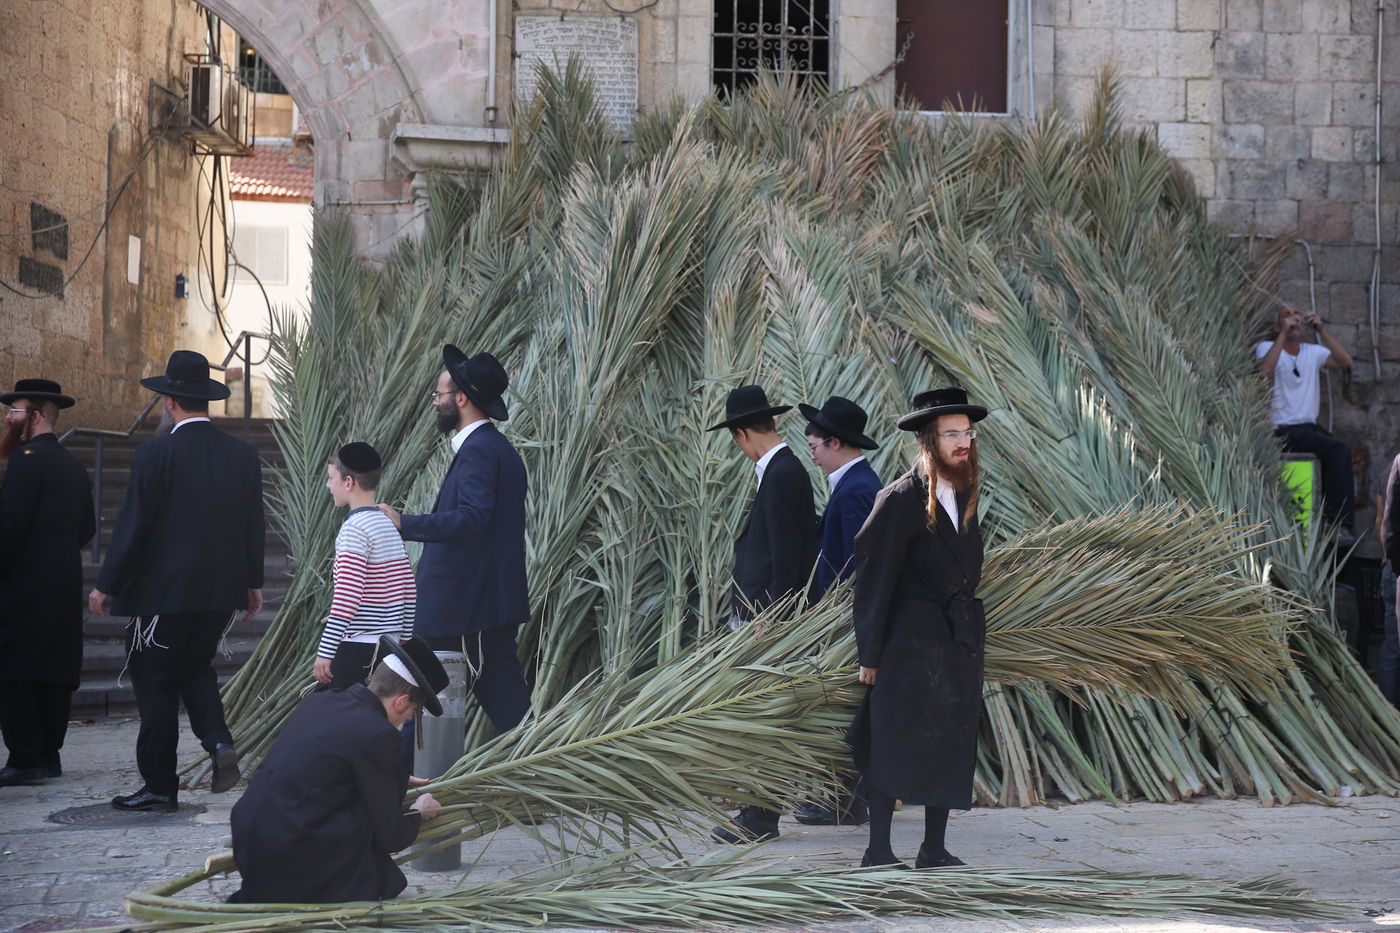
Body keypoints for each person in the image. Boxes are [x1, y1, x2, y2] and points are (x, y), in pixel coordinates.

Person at [89, 350, 265, 811]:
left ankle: (159, 785)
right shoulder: (242, 455)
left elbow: (133, 526)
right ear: (205, 401)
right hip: (218, 595)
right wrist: (252, 583)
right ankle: (219, 742)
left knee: (155, 684)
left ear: (169, 402)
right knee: (194, 668)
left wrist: (107, 583)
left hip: (162, 598)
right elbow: (253, 524)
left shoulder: (155, 455)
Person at [848, 386, 987, 869]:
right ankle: (878, 849)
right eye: (952, 433)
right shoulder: (899, 498)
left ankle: (933, 848)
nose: (963, 441)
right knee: (895, 738)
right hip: (907, 642)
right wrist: (870, 653)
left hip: (956, 639)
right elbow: (872, 580)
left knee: (949, 738)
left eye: (966, 432)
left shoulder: (965, 492)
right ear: (929, 440)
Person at [378, 345, 531, 733]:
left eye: (440, 395)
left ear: (461, 398)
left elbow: (472, 520)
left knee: (415, 686)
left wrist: (404, 523)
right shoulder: (496, 449)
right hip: (482, 604)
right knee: (507, 702)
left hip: (464, 606)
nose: (436, 402)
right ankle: (541, 771)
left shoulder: (480, 451)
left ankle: (393, 778)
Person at [228, 635, 447, 904]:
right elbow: (390, 835)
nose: (406, 719)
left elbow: (328, 771)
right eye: (411, 712)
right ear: (401, 701)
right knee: (374, 847)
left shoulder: (319, 701)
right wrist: (419, 810)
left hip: (252, 842)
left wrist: (396, 776)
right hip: (293, 856)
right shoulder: (378, 733)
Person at [708, 384, 816, 845]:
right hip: (765, 616)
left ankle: (761, 816)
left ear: (741, 434)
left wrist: (773, 621)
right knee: (767, 716)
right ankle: (759, 813)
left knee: (769, 718)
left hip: (770, 621)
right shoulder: (781, 471)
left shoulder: (782, 473)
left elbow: (789, 557)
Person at [792, 394, 881, 827]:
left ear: (835, 443)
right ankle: (847, 800)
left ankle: (847, 802)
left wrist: (836, 616)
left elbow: (855, 565)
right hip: (844, 618)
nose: (812, 457)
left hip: (846, 619)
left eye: (813, 448)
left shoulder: (859, 488)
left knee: (843, 710)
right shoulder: (852, 483)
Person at [0, 380, 95, 787]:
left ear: (36, 416)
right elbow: (87, 528)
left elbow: (9, 528)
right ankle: (49, 755)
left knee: (14, 669)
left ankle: (26, 757)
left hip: (22, 585)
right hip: (62, 582)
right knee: (54, 669)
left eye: (15, 411)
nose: (8, 417)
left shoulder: (25, 459)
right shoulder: (74, 464)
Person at [316, 443, 416, 689]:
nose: (328, 485)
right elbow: (410, 587)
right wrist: (404, 637)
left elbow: (348, 596)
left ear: (348, 482)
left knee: (328, 716)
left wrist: (326, 651)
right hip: (387, 647)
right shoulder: (386, 523)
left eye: (331, 478)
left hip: (358, 647)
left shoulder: (354, 529)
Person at [1255, 304, 1355, 535]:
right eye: (1286, 315)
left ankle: (1337, 522)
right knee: (1337, 449)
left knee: (1341, 454)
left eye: (1297, 314)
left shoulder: (1312, 352)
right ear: (1276, 325)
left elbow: (1345, 361)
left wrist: (1321, 329)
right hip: (1281, 428)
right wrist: (1282, 335)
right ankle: (1339, 523)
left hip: (1308, 429)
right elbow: (1264, 372)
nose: (1294, 318)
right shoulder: (1267, 347)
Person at [1378, 453, 1400, 706]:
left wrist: (1393, 566)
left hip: (1394, 573)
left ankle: (1390, 718)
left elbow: (1384, 523)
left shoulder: (1394, 465)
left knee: (1393, 650)